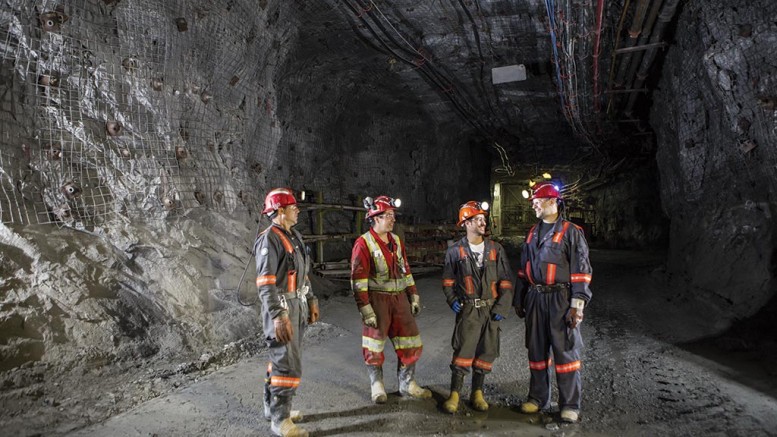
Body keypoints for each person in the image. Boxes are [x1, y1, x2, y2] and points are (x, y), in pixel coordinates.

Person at [513, 182, 592, 423]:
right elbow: (523, 269)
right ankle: (538, 398)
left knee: (565, 352)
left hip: (560, 298)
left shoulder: (571, 231)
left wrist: (577, 305)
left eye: (538, 200)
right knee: (536, 351)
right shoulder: (532, 232)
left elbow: (581, 270)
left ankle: (569, 404)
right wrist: (520, 298)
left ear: (552, 201)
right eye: (534, 201)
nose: (534, 204)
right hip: (536, 297)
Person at [350, 195, 432, 404]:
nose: (392, 219)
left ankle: (407, 383)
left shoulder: (396, 241)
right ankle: (377, 385)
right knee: (374, 343)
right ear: (375, 218)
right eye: (388, 215)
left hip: (399, 300)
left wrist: (413, 293)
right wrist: (365, 309)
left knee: (410, 339)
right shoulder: (363, 243)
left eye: (393, 215)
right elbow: (358, 281)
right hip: (378, 301)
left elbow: (405, 270)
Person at [255, 188, 320, 437]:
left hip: (298, 304)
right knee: (287, 363)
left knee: (283, 359)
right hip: (282, 307)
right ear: (280, 210)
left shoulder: (294, 236)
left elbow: (303, 273)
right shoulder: (269, 239)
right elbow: (266, 282)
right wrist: (277, 314)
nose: (298, 210)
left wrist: (311, 299)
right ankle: (281, 420)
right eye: (293, 206)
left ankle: (273, 409)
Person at [441, 201, 514, 414]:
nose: (483, 222)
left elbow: (506, 281)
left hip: (490, 309)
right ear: (466, 223)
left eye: (483, 218)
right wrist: (452, 298)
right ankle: (455, 393)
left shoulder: (495, 249)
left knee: (487, 350)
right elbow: (447, 280)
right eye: (478, 219)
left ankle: (477, 392)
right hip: (469, 309)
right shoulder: (455, 251)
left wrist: (502, 307)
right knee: (464, 348)